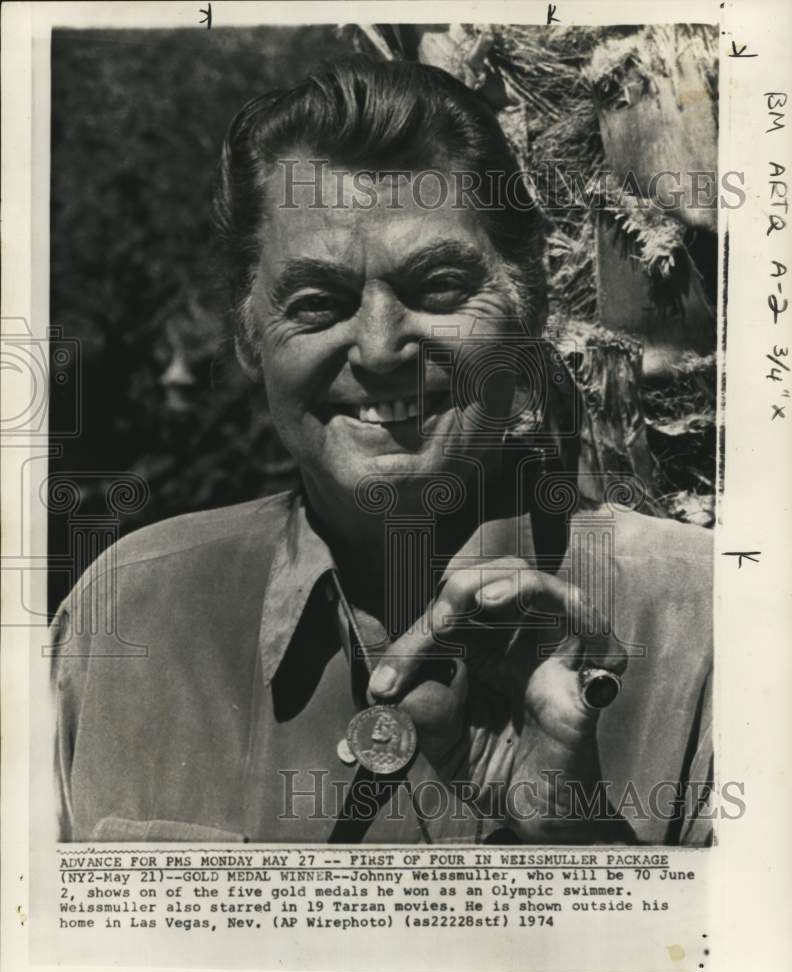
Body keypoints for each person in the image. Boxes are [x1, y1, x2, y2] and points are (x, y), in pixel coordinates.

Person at [51, 57, 713, 845]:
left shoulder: (702, 625)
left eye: (435, 287)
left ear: (527, 304)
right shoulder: (126, 614)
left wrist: (576, 841)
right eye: (318, 302)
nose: (379, 347)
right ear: (246, 337)